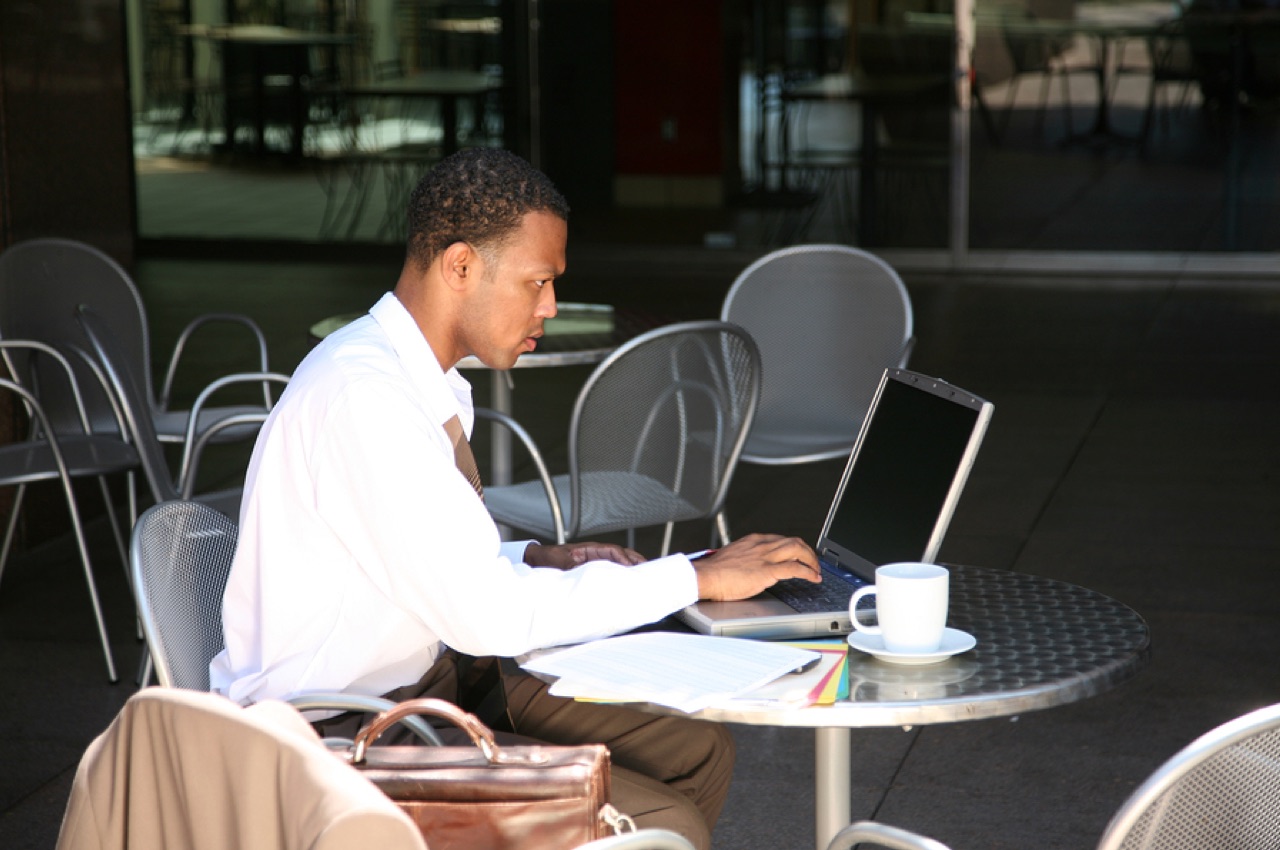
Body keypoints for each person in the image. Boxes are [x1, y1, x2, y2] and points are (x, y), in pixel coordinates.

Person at [209, 148, 820, 849]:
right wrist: (697, 575)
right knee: (665, 823)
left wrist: (536, 554)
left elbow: (404, 556)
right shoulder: (366, 398)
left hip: (432, 683)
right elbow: (488, 617)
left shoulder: (406, 375)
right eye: (538, 281)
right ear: (461, 266)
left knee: (695, 750)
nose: (550, 306)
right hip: (342, 735)